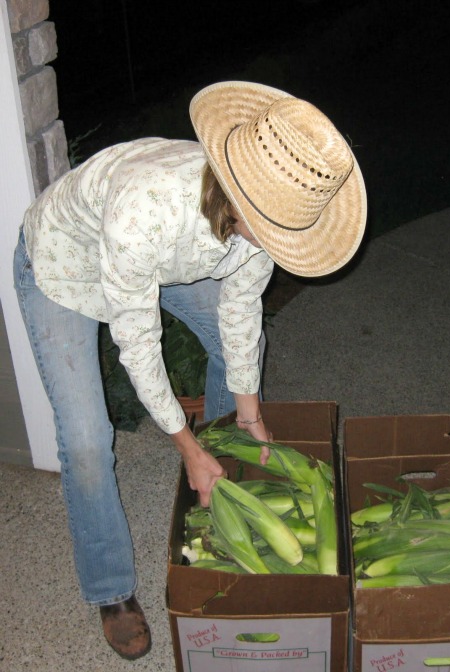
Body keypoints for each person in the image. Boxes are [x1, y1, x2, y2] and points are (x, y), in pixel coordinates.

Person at [13, 81, 367, 660]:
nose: (283, 245)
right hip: (65, 264)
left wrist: (248, 413)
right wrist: (183, 445)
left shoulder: (262, 225)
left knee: (234, 352)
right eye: (276, 232)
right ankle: (112, 590)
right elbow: (138, 344)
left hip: (175, 251)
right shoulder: (146, 212)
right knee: (84, 441)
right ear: (239, 201)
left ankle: (217, 471)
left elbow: (240, 309)